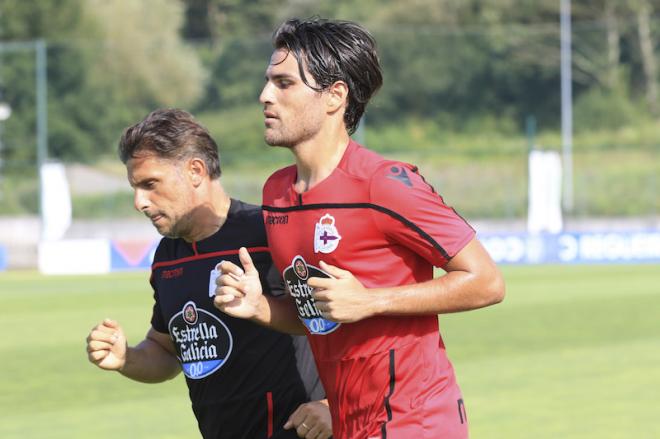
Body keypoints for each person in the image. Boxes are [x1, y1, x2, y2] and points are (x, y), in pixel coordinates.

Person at [214, 18, 506, 439]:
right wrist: (260, 308)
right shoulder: (276, 192)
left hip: (416, 421)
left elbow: (487, 282)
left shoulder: (383, 183)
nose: (264, 96)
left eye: (284, 84)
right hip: (349, 424)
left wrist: (372, 301)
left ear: (334, 96)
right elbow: (321, 316)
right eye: (267, 82)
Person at [85, 109, 332, 439]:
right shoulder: (167, 257)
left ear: (196, 171)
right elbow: (166, 351)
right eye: (135, 187)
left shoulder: (270, 233)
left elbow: (345, 322)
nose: (139, 202)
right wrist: (126, 358)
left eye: (150, 184)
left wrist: (332, 405)